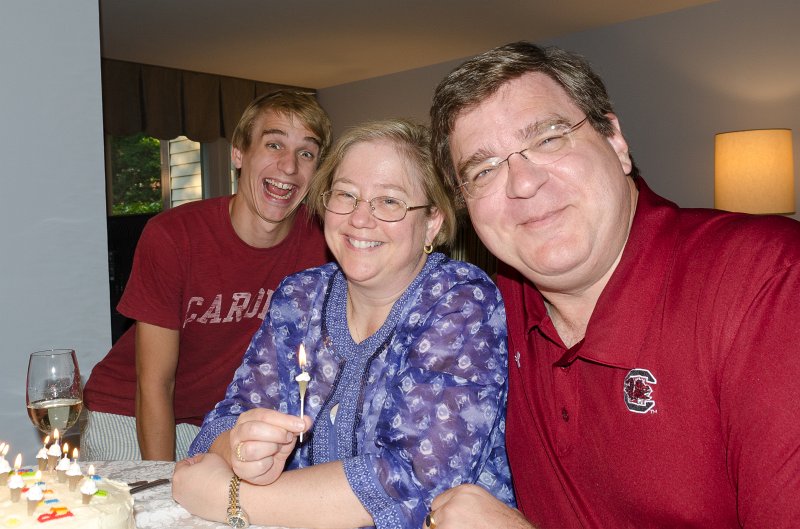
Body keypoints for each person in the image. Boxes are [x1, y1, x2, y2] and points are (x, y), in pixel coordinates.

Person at [427, 41, 800, 528]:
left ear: (616, 141)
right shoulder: (487, 310)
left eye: (548, 138)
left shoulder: (766, 281)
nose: (522, 183)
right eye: (484, 168)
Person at [171, 119, 515, 529]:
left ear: (433, 222)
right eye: (345, 195)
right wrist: (240, 447)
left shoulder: (461, 301)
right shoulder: (298, 298)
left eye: (389, 201)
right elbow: (221, 425)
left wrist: (230, 496)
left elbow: (413, 484)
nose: (359, 218)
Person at [82, 90, 333, 461]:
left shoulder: (324, 244)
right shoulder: (174, 236)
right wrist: (161, 479)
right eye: (274, 144)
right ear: (239, 153)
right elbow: (154, 383)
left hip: (224, 424)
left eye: (306, 153)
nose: (289, 166)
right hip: (127, 415)